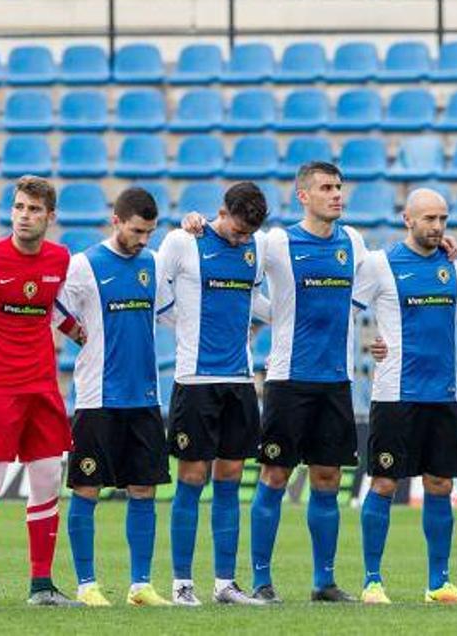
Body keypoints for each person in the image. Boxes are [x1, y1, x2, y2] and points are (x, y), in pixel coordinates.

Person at [0, 176, 80, 608]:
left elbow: (53, 307)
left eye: (34, 209)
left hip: (42, 385)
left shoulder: (60, 258)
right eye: (19, 207)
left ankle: (41, 586)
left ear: (50, 216)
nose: (24, 216)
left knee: (47, 481)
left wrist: (82, 334)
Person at [350, 189, 457, 605]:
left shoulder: (454, 262)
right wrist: (370, 343)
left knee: (440, 484)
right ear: (407, 219)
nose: (437, 227)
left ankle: (438, 583)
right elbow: (347, 312)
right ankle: (372, 582)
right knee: (385, 482)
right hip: (395, 395)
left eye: (443, 218)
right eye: (429, 218)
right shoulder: (380, 264)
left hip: (443, 394)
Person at [51, 187, 174, 607]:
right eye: (137, 231)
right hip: (97, 398)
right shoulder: (84, 265)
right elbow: (54, 307)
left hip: (144, 397)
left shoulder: (153, 264)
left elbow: (168, 314)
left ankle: (141, 585)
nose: (144, 239)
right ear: (116, 221)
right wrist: (75, 332)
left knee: (144, 490)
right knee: (87, 488)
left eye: (150, 232)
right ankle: (87, 584)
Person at [252, 161, 368, 603]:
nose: (336, 194)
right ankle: (261, 581)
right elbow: (242, 277)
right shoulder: (278, 242)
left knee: (327, 477)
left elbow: (375, 286)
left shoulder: (352, 241)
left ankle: (324, 582)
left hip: (335, 381)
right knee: (275, 474)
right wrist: (275, 314)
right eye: (326, 188)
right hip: (289, 380)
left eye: (339, 186)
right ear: (303, 196)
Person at [157, 183, 271, 607]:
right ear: (221, 212)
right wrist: (185, 325)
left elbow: (256, 300)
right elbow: (156, 294)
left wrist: (274, 321)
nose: (241, 240)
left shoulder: (258, 246)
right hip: (195, 382)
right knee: (191, 478)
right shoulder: (183, 241)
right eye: (237, 231)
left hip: (239, 381)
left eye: (247, 234)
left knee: (230, 479)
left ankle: (225, 583)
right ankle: (182, 584)